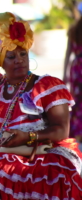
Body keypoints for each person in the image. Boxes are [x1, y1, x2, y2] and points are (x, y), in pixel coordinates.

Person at [0, 12, 82, 199]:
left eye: (23, 54)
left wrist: (28, 137)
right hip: (6, 157)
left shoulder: (47, 86)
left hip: (46, 155)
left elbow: (61, 130)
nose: (19, 60)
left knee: (41, 175)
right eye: (11, 56)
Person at [63, 2, 82, 142]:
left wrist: (65, 73)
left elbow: (67, 54)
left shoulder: (73, 30)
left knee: (76, 101)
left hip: (76, 68)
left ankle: (76, 132)